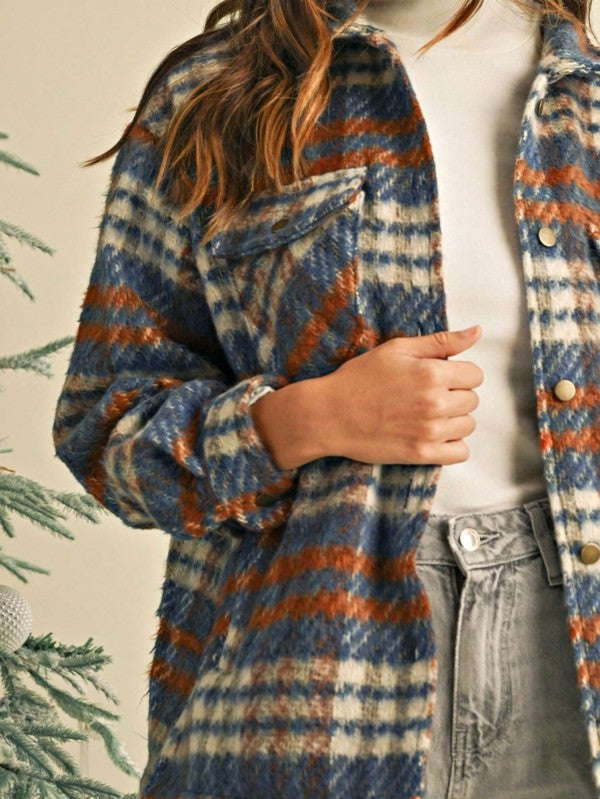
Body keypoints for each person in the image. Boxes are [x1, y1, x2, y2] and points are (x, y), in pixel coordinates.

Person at [51, 0, 600, 796]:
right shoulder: (217, 92)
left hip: (570, 644)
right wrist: (303, 421)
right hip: (306, 665)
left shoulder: (588, 102)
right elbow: (104, 427)